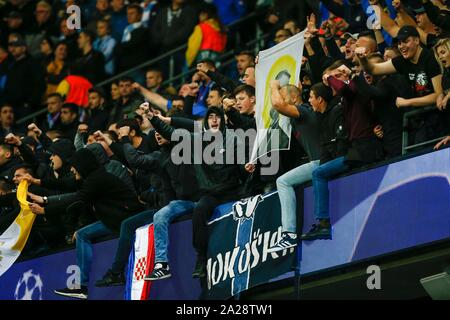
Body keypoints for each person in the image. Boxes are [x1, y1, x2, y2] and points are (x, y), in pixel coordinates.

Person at [28, 147, 144, 299]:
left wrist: (46, 210)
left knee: (83, 234)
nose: (71, 169)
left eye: (74, 165)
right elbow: (66, 184)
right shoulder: (92, 178)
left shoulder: (97, 180)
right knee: (83, 234)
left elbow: (76, 199)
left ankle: (82, 285)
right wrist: (38, 181)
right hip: (114, 220)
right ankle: (81, 287)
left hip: (126, 219)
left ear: (83, 165)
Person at [357, 25, 444, 145]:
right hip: (422, 121)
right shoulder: (403, 61)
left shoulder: (429, 58)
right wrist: (362, 59)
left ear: (417, 40)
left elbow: (438, 95)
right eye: (399, 43)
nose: (401, 46)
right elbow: (373, 69)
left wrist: (408, 102)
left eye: (406, 41)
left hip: (440, 119)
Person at [185, 3, 227, 67]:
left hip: (202, 59)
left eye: (200, 14)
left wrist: (188, 63)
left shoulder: (201, 27)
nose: (199, 17)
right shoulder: (221, 29)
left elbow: (193, 47)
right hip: (217, 60)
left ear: (205, 15)